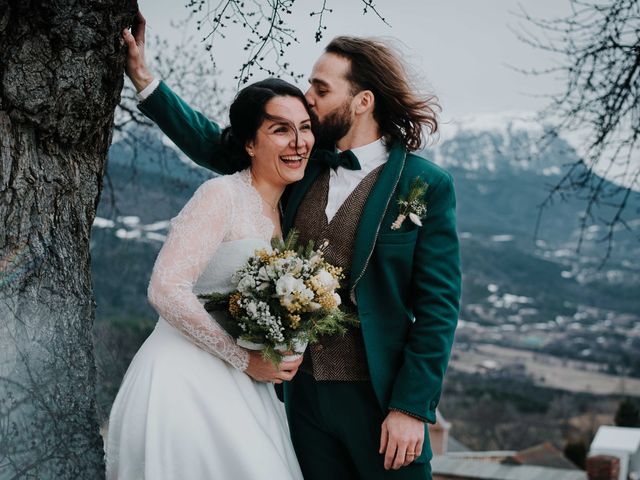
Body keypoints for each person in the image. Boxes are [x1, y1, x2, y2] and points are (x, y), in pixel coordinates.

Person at [123, 12, 461, 480]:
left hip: (380, 403)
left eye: (321, 90)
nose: (309, 98)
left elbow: (439, 307)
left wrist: (412, 407)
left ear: (361, 101)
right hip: (298, 402)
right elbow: (219, 145)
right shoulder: (302, 162)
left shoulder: (425, 186)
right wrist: (144, 81)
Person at [105, 77, 313, 480]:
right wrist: (243, 359)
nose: (299, 141)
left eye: (304, 127)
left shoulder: (289, 213)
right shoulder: (221, 195)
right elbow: (165, 288)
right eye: (281, 130)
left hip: (247, 386)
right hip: (183, 381)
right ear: (250, 143)